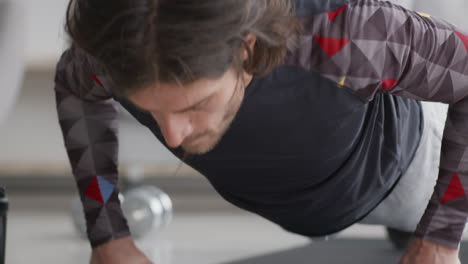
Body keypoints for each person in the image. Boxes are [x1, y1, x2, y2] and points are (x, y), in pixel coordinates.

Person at [54, 0, 468, 263]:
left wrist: (440, 237)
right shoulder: (108, 57)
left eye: (195, 106)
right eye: (149, 110)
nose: (174, 136)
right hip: (321, 198)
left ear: (246, 50)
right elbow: (75, 88)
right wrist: (108, 235)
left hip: (415, 166)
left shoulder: (342, 33)